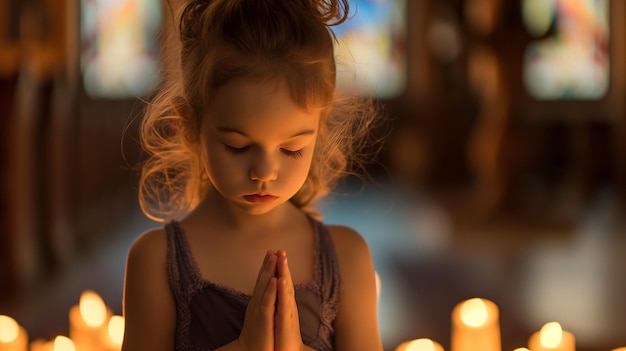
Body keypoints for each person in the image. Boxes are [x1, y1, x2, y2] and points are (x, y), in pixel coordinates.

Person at [122, 0, 384, 350]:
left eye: (291, 149)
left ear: (319, 131)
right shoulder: (155, 262)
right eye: (238, 146)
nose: (264, 172)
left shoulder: (347, 257)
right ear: (190, 125)